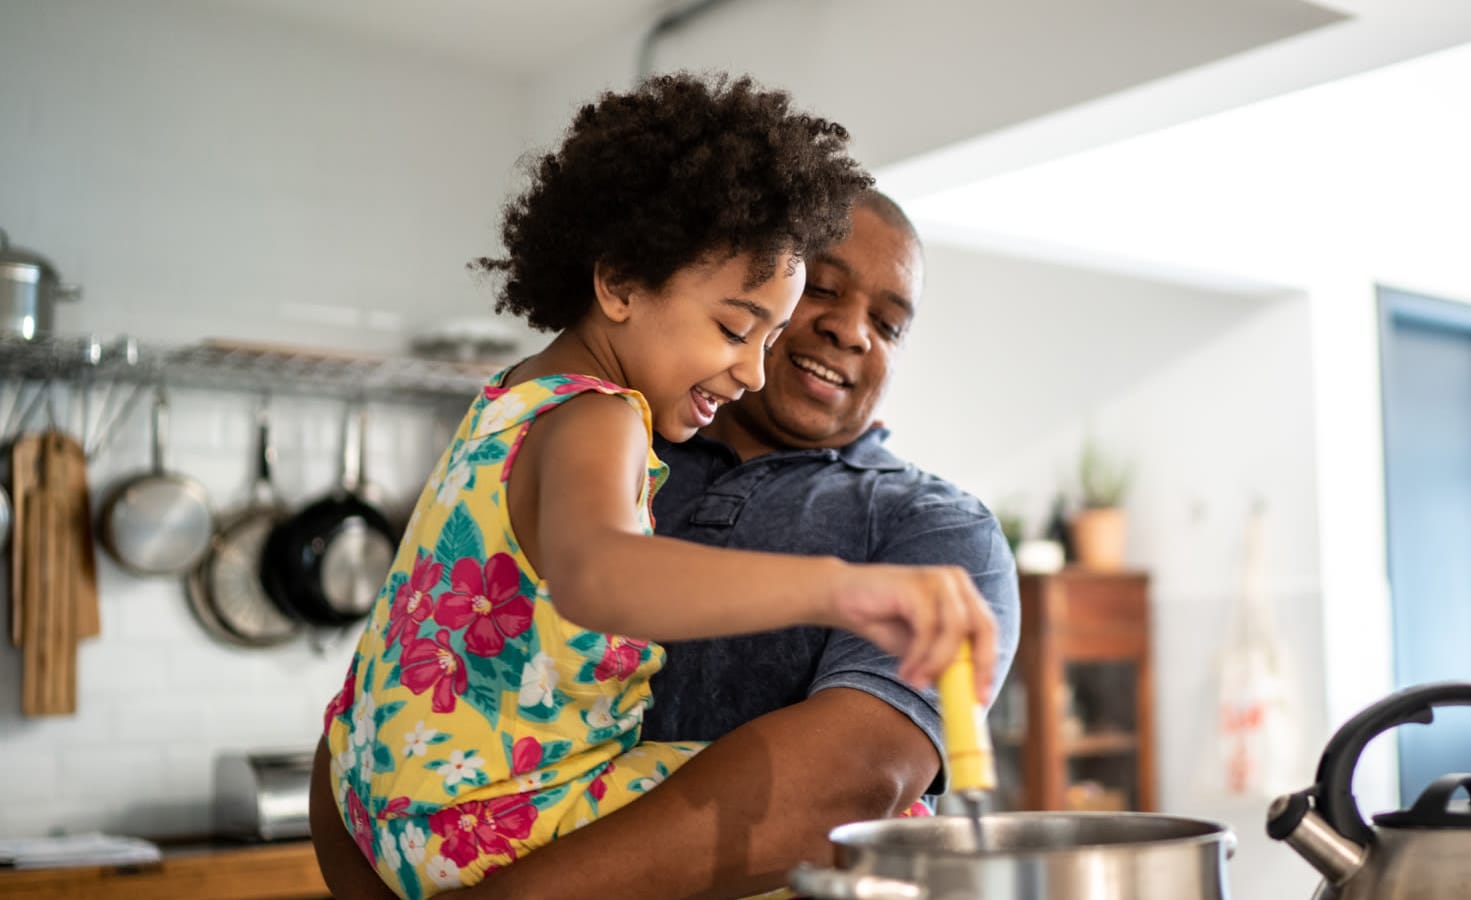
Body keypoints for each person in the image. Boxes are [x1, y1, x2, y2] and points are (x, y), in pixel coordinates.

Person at [314, 74, 999, 898]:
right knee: (906, 836)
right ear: (622, 283)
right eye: (737, 327)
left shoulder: (510, 401)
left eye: (889, 324)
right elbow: (603, 574)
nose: (751, 368)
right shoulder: (604, 421)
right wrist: (840, 589)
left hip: (380, 794)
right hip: (489, 822)